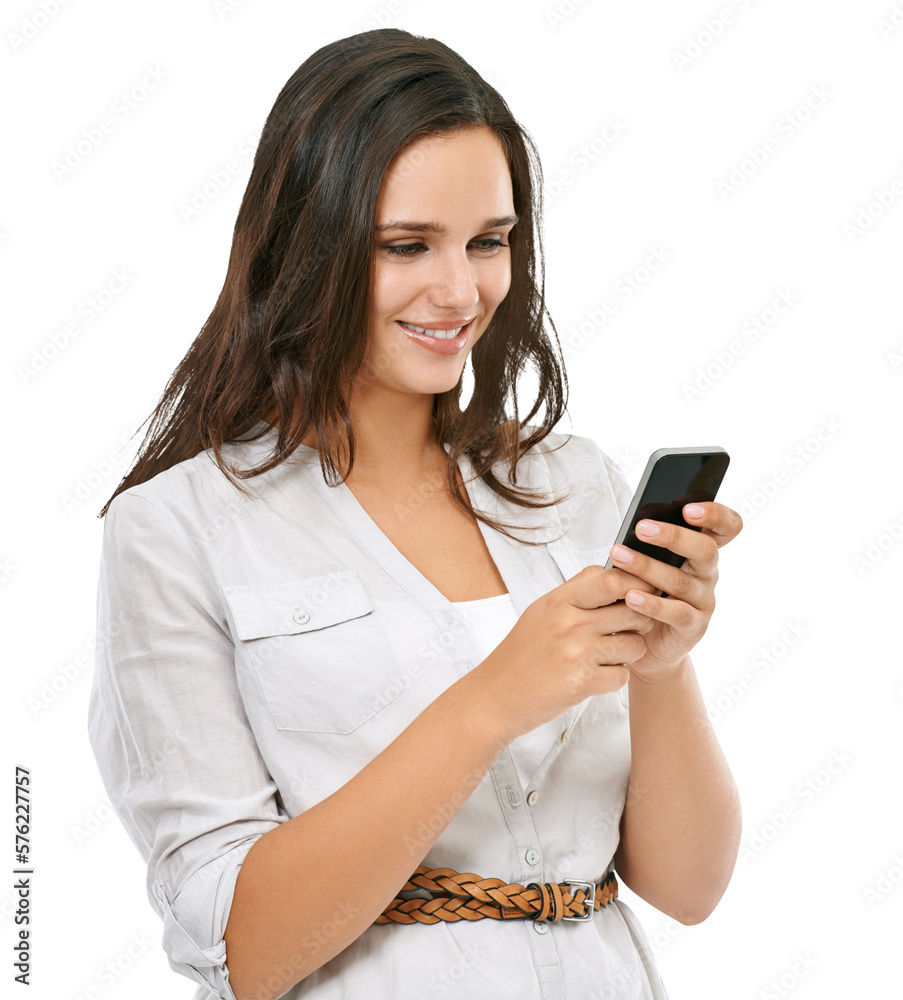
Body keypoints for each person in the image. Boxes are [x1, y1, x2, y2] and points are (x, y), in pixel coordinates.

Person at [87, 27, 743, 1000]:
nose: (460, 290)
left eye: (489, 241)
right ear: (309, 245)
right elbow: (244, 953)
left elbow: (688, 888)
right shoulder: (177, 530)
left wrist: (663, 662)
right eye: (406, 246)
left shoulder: (576, 489)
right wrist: (492, 700)